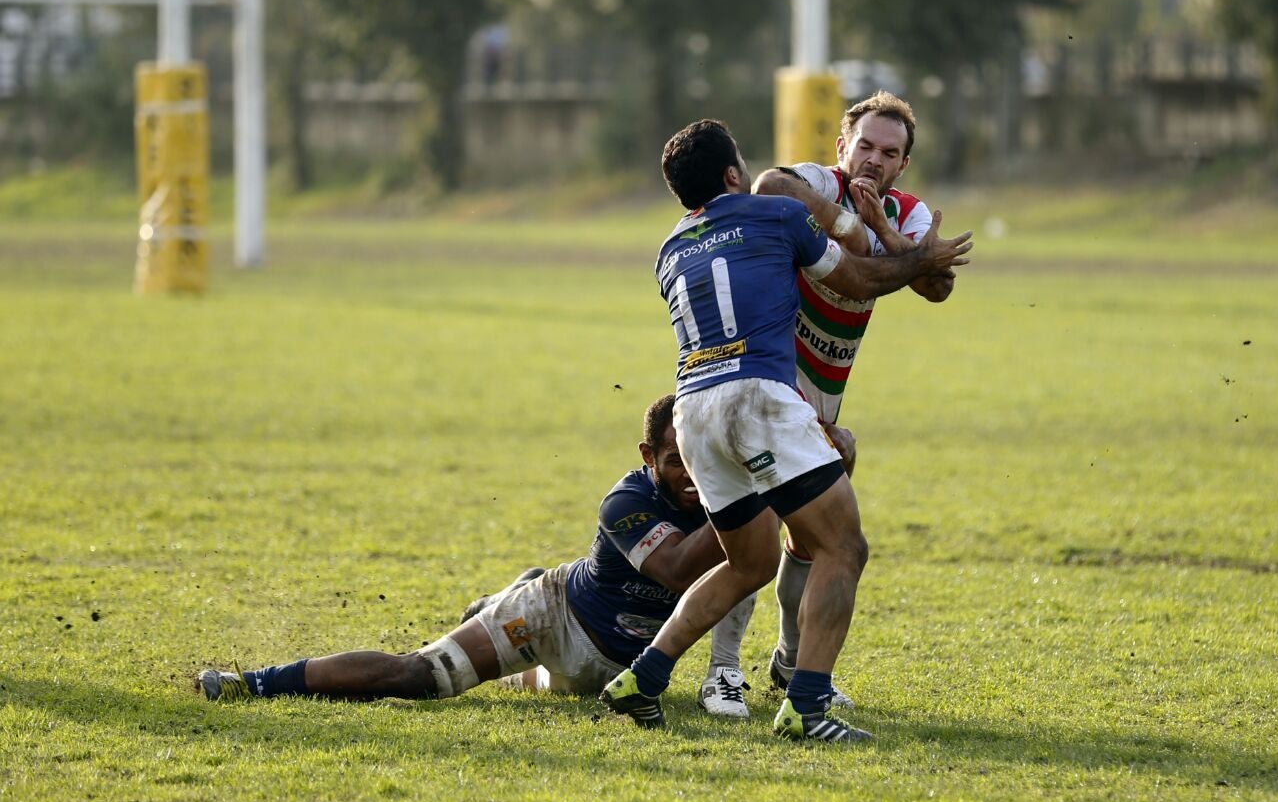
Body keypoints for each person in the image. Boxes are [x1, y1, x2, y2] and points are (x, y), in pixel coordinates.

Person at [598, 118, 971, 744]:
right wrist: (916, 255)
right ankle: (805, 705)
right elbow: (858, 280)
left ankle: (643, 679)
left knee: (748, 562)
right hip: (761, 399)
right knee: (843, 547)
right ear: (732, 175)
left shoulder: (668, 249)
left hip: (692, 410)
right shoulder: (774, 213)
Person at [196, 395, 750, 707]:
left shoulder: (720, 490)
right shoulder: (626, 501)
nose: (693, 475)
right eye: (677, 460)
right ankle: (258, 681)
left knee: (536, 685)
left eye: (700, 458)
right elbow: (677, 569)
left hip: (605, 670)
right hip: (552, 617)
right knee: (424, 678)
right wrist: (757, 493)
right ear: (648, 456)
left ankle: (496, 601)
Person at [705, 90, 952, 709]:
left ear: (903, 165)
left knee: (811, 539)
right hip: (768, 380)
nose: (873, 159)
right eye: (864, 145)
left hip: (827, 392)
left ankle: (790, 663)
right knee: (755, 528)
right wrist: (853, 227)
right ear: (842, 145)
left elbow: (935, 284)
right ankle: (722, 670)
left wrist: (885, 232)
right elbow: (770, 184)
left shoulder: (910, 213)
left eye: (889, 153)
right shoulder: (819, 180)